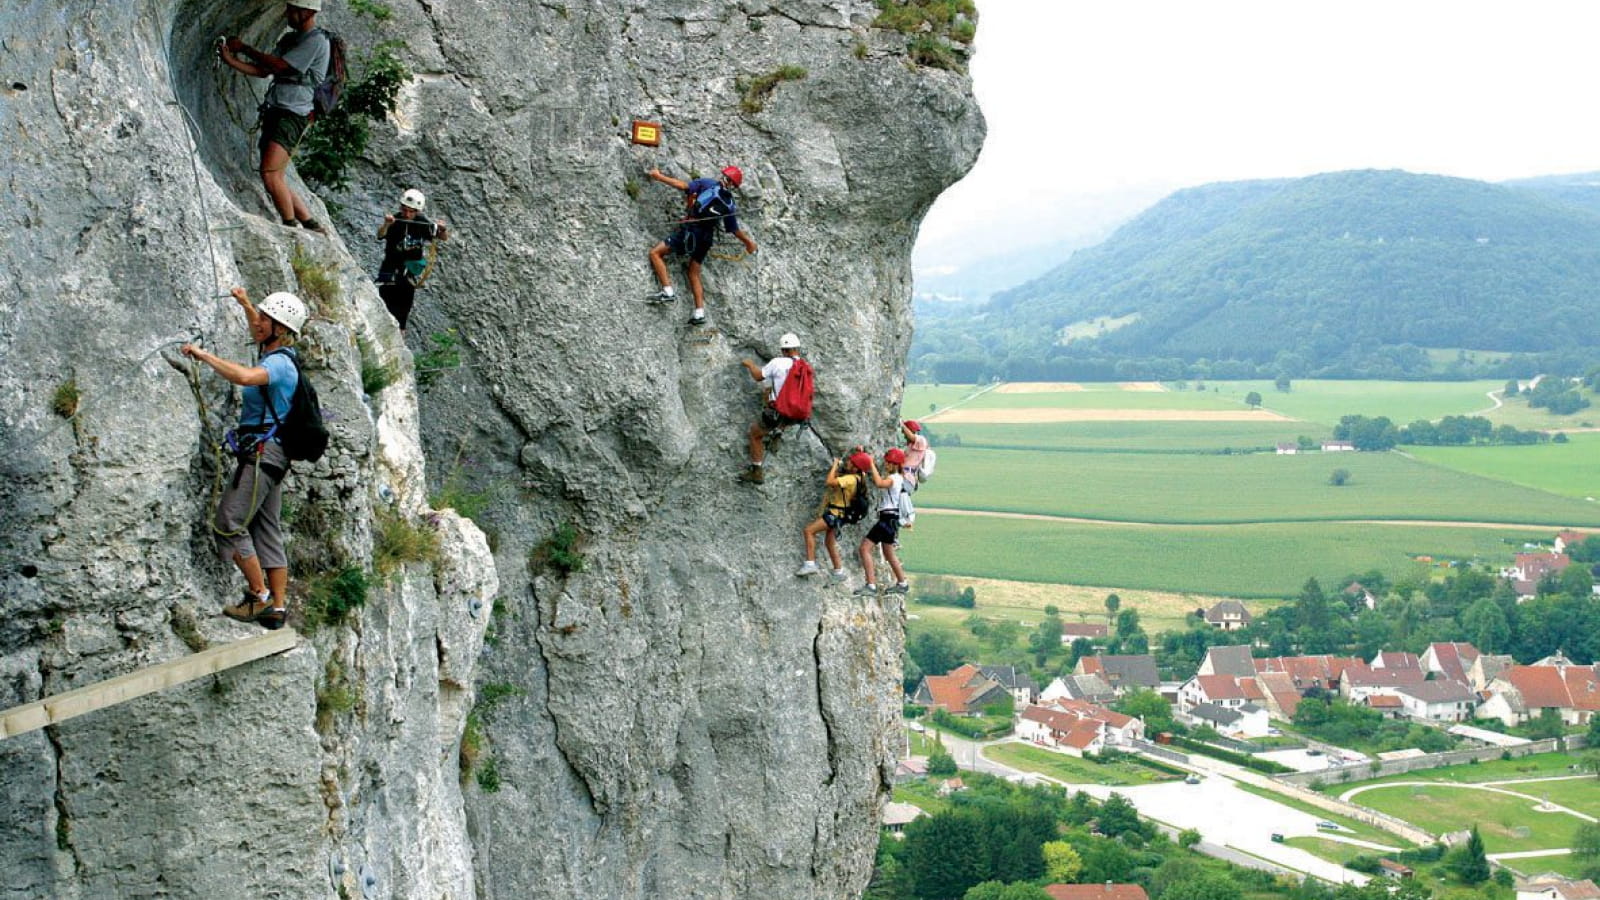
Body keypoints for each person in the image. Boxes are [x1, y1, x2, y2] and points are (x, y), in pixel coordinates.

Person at [180, 287, 309, 630]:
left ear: (280, 328)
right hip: (273, 455)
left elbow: (244, 377)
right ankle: (278, 608)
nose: (259, 323)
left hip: (263, 453)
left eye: (266, 320)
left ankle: (258, 596)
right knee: (266, 529)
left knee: (229, 522)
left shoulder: (279, 364)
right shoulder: (279, 351)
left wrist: (202, 355)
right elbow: (259, 326)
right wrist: (246, 304)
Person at [219, 0, 331, 232]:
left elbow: (281, 67)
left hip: (294, 114)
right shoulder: (290, 39)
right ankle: (311, 224)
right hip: (277, 110)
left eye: (293, 9)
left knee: (269, 174)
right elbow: (263, 71)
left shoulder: (317, 41)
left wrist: (246, 49)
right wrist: (231, 60)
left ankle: (290, 227)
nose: (288, 13)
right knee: (276, 174)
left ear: (308, 12)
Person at [645, 165, 758, 325]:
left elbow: (682, 186)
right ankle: (699, 312)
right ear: (734, 185)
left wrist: (658, 176)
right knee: (694, 272)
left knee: (655, 253)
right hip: (706, 238)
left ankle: (667, 291)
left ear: (724, 177)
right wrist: (749, 243)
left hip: (691, 230)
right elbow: (733, 230)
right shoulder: (730, 204)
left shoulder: (708, 184)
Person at [376, 189, 449, 332]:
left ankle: (399, 343)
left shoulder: (422, 223)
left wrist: (442, 229)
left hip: (408, 274)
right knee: (385, 308)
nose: (407, 214)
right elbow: (380, 235)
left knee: (402, 314)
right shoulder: (395, 220)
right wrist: (386, 224)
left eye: (411, 211)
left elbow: (442, 237)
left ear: (417, 211)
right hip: (390, 270)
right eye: (405, 210)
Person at [737, 332, 803, 484]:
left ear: (784, 350)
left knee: (755, 433)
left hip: (779, 412)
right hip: (797, 414)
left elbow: (759, 376)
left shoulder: (777, 363)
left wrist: (750, 365)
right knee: (770, 396)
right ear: (797, 349)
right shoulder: (804, 366)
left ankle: (756, 471)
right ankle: (778, 432)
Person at [796, 452, 872, 583]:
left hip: (834, 514)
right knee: (829, 543)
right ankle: (838, 571)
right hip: (841, 516)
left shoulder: (850, 479)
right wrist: (861, 451)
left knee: (809, 531)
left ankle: (810, 564)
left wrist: (835, 465)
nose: (847, 463)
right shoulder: (860, 477)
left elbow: (829, 481)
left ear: (856, 468)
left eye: (850, 462)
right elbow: (864, 464)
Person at [855, 448, 911, 596]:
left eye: (887, 463)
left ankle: (871, 585)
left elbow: (879, 483)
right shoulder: (899, 478)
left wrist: (871, 462)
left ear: (894, 464)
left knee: (864, 549)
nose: (885, 465)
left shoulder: (894, 478)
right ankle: (902, 583)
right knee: (889, 554)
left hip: (886, 519)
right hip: (892, 520)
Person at [900, 419, 930, 488]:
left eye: (904, 433)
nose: (904, 436)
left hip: (908, 476)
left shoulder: (921, 440)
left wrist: (902, 425)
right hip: (905, 475)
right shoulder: (910, 446)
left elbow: (911, 437)